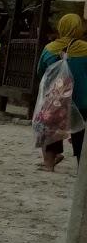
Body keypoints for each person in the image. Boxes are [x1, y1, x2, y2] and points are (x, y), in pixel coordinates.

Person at [38, 12, 87, 170]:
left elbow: (41, 72)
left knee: (52, 128)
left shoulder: (49, 49)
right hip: (81, 100)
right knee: (80, 131)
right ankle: (81, 165)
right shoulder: (85, 49)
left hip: (56, 99)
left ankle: (49, 163)